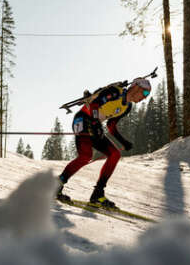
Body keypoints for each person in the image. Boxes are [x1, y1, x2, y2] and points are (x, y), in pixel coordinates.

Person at [57, 78, 152, 208]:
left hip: (96, 125)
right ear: (136, 87)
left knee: (114, 154)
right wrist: (95, 122)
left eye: (148, 95)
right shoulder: (115, 92)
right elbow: (95, 104)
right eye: (145, 93)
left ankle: (98, 194)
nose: (145, 98)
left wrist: (123, 141)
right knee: (85, 156)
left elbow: (111, 125)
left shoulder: (127, 107)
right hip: (83, 119)